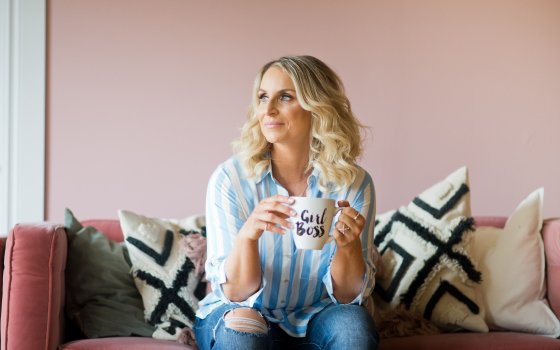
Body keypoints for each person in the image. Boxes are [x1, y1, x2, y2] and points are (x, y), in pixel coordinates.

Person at [194, 56, 379, 350]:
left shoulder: (354, 184)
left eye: (285, 97)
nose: (267, 110)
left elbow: (347, 298)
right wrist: (248, 236)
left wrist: (348, 246)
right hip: (246, 310)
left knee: (353, 325)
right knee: (241, 328)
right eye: (263, 97)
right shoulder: (230, 180)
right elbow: (236, 294)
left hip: (318, 316)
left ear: (316, 105)